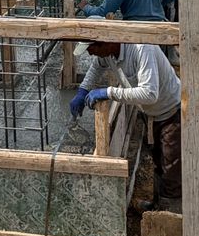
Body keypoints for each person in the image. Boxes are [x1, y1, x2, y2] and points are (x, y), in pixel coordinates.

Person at [71, 39, 182, 206]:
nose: (90, 53)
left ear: (106, 42)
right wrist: (82, 90)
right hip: (151, 115)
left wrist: (109, 92)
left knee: (171, 169)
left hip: (171, 114)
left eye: (91, 48)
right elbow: (95, 68)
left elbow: (150, 94)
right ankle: (157, 207)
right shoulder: (108, 53)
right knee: (158, 160)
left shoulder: (142, 49)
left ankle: (170, 214)